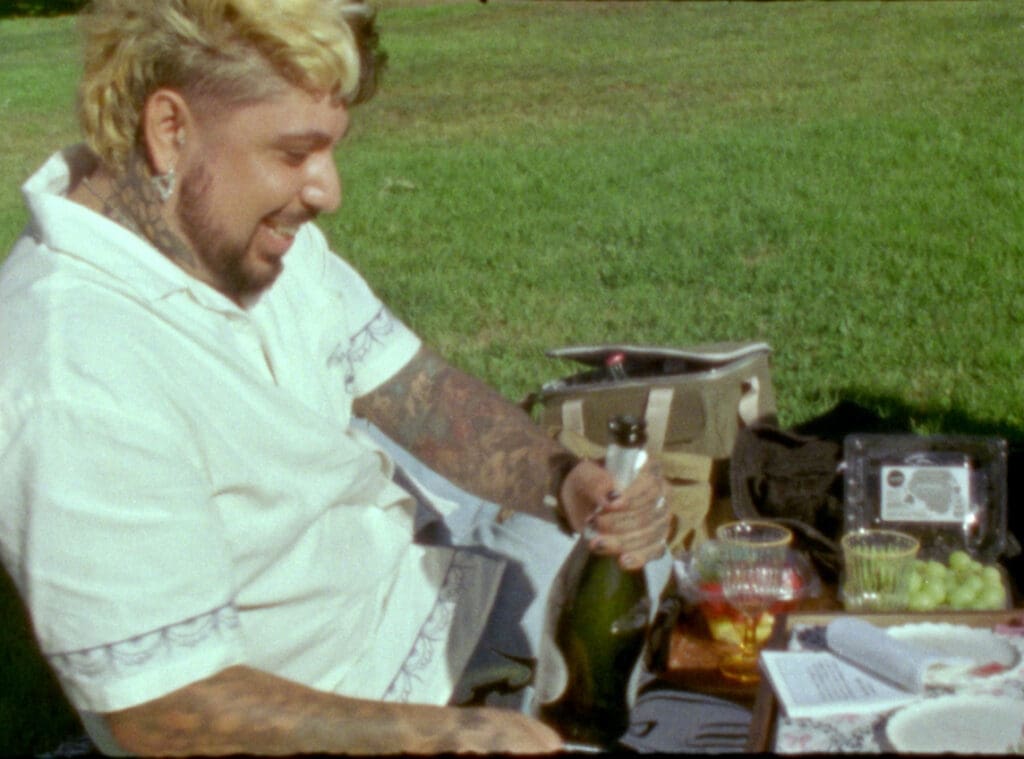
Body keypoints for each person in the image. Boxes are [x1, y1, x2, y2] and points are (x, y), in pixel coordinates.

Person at [0, 1, 678, 754]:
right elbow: (164, 709)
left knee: (656, 576)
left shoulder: (227, 235)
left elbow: (418, 394)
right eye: (295, 153)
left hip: (419, 588)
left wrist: (567, 483)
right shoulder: (72, 366)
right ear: (170, 130)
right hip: (340, 708)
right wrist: (456, 735)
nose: (328, 190)